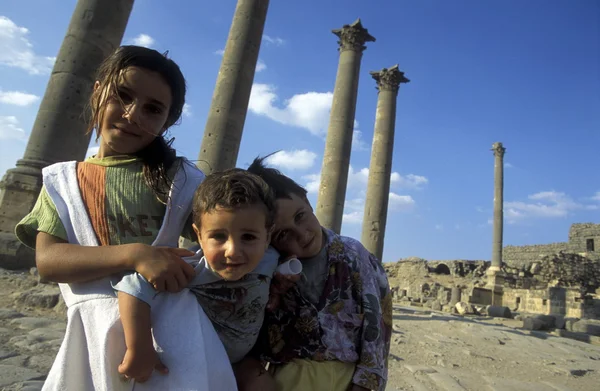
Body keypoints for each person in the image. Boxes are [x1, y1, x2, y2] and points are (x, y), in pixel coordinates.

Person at [15, 45, 236, 391]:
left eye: (153, 109)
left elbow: (230, 235)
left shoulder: (183, 180)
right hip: (91, 338)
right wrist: (136, 254)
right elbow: (48, 260)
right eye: (122, 95)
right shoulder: (63, 181)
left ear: (169, 121)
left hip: (176, 340)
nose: (132, 114)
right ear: (97, 90)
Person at [112, 169, 280, 390]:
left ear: (267, 237)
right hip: (197, 361)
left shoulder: (270, 259)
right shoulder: (190, 267)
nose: (233, 251)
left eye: (248, 237)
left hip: (242, 361)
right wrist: (139, 347)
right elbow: (131, 286)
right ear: (199, 235)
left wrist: (288, 273)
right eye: (218, 236)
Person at [246, 155, 393, 391]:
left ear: (307, 200)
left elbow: (376, 325)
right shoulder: (269, 267)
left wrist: (367, 383)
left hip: (344, 380)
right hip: (285, 380)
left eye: (300, 216)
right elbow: (255, 330)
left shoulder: (353, 254)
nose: (301, 234)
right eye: (283, 234)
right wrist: (272, 293)